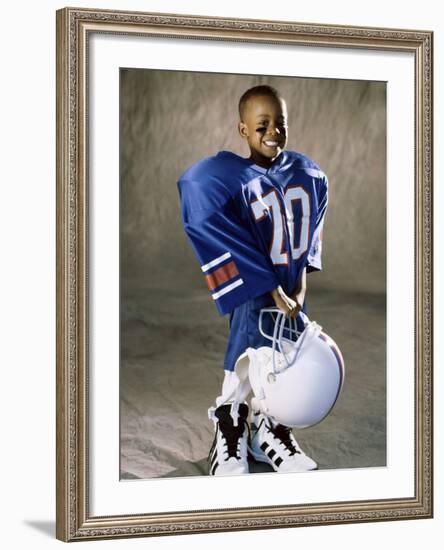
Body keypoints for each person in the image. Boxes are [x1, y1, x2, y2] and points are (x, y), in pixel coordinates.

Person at [177, 85, 328, 476]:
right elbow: (210, 220)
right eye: (263, 125)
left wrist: (302, 281)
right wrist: (268, 285)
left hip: (291, 289)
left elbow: (309, 229)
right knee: (247, 361)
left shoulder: (306, 173)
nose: (273, 131)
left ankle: (270, 428)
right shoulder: (227, 177)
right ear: (243, 129)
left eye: (280, 123)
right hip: (256, 292)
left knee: (284, 359)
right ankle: (228, 428)